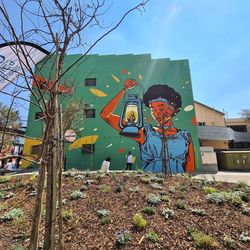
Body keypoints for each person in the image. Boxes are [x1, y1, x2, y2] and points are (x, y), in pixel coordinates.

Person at [100, 79, 195, 174]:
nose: (156, 113)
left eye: (161, 107)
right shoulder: (145, 133)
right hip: (150, 183)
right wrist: (124, 90)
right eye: (152, 109)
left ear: (173, 108)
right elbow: (105, 115)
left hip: (177, 185)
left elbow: (190, 167)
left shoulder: (185, 137)